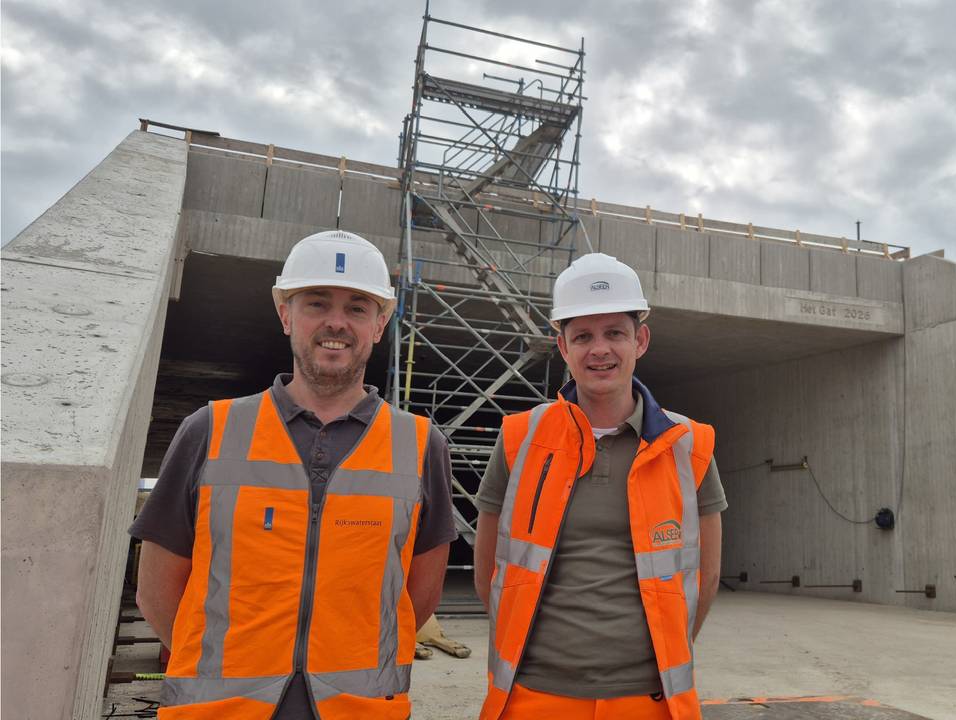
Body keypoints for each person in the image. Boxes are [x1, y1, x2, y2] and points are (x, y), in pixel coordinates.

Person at [131, 230, 456, 719]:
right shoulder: (210, 430)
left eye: (358, 308)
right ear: (286, 315)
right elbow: (157, 588)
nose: (336, 323)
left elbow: (419, 596)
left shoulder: (420, 444)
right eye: (317, 303)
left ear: (380, 324)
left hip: (359, 710)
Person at [472, 253, 727, 720]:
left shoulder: (688, 446)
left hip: (649, 696)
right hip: (533, 692)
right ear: (563, 346)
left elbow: (705, 577)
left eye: (614, 333)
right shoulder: (519, 441)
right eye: (583, 336)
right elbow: (489, 569)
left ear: (640, 340)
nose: (599, 350)